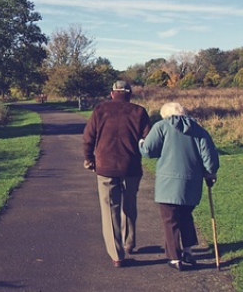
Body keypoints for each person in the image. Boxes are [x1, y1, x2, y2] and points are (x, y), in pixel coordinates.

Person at [138, 102, 219, 271]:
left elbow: (148, 150)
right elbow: (209, 158)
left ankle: (175, 258)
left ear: (165, 115)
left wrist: (140, 142)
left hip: (168, 184)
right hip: (192, 183)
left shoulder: (161, 126)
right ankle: (188, 251)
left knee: (170, 220)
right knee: (186, 216)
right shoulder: (199, 130)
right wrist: (210, 173)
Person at [83, 80, 151, 267]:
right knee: (129, 204)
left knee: (109, 209)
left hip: (105, 166)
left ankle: (117, 254)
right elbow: (148, 139)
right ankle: (129, 242)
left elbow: (88, 137)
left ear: (112, 93)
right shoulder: (139, 112)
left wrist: (89, 158)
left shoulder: (100, 110)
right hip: (131, 167)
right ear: (129, 94)